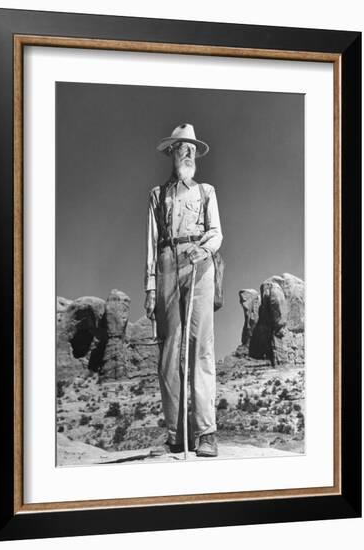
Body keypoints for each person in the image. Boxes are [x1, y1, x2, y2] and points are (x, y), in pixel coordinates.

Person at [145, 123, 223, 457]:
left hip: (200, 264)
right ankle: (177, 434)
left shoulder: (206, 191)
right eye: (182, 147)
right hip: (166, 265)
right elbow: (150, 243)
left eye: (191, 147)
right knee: (168, 356)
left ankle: (206, 434)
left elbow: (217, 232)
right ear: (171, 153)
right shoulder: (157, 194)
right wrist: (150, 286)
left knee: (201, 348)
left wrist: (204, 250)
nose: (187, 152)